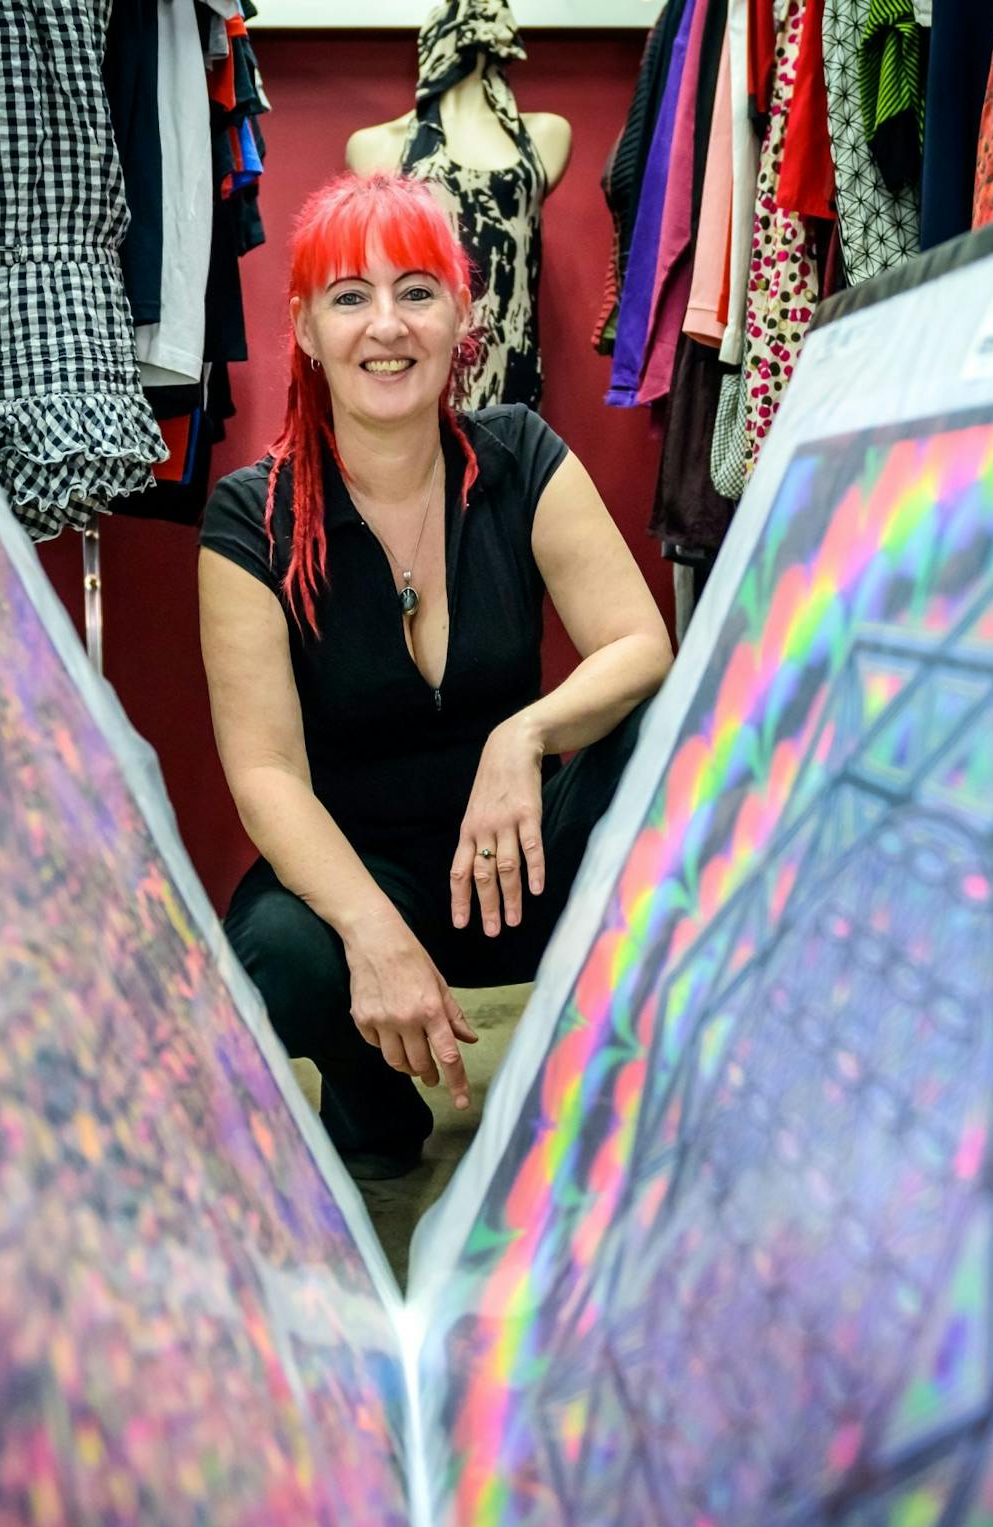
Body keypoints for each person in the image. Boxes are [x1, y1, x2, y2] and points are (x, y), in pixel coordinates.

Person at [199, 174, 672, 1180]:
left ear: (464, 313)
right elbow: (266, 776)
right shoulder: (250, 517)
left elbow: (641, 643)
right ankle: (373, 1114)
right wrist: (372, 934)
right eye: (348, 297)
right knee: (275, 955)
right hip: (368, 879)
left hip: (522, 864)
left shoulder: (520, 456)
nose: (386, 325)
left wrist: (524, 737)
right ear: (306, 329)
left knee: (670, 729)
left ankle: (622, 1082)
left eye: (416, 292)